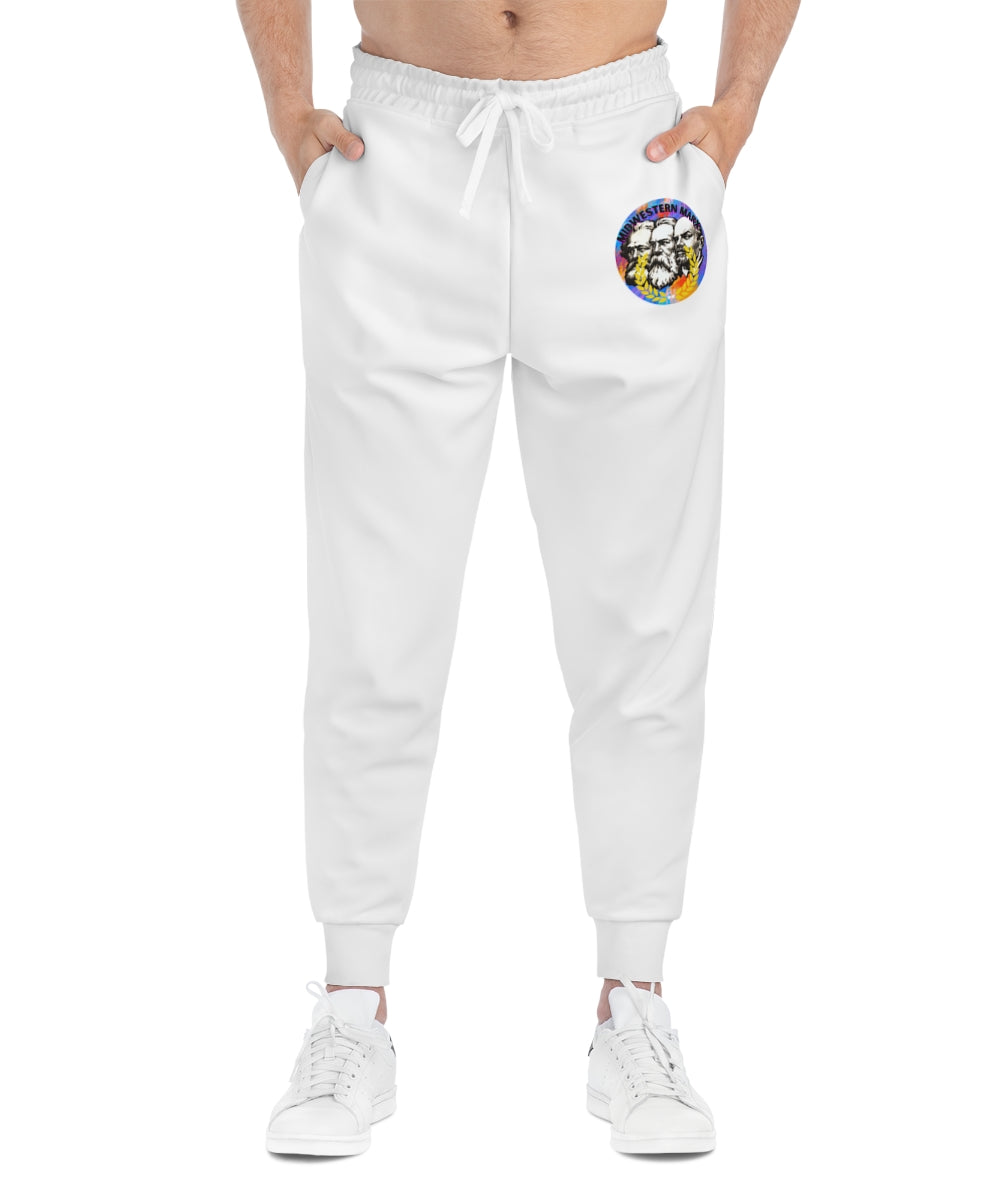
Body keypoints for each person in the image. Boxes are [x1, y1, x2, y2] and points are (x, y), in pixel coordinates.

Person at [236, 0, 800, 1157]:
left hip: (625, 166)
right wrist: (287, 106)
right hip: (397, 155)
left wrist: (739, 104)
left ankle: (633, 1003)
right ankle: (351, 1007)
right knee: (372, 617)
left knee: (644, 615)